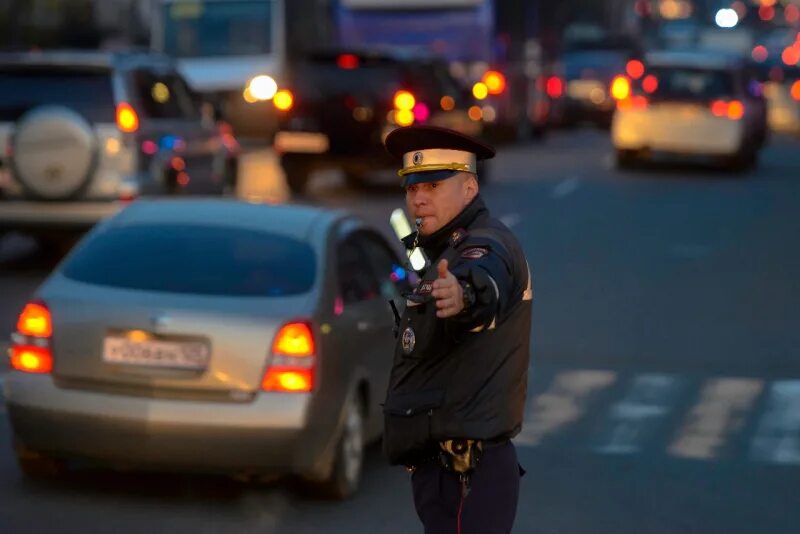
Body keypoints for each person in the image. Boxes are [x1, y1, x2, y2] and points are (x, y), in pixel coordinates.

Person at [382, 125, 533, 534]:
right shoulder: (442, 249)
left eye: (432, 185)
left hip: (470, 473)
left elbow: (486, 282)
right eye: (412, 188)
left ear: (469, 188)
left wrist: (463, 295)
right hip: (443, 471)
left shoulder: (485, 245)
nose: (418, 199)